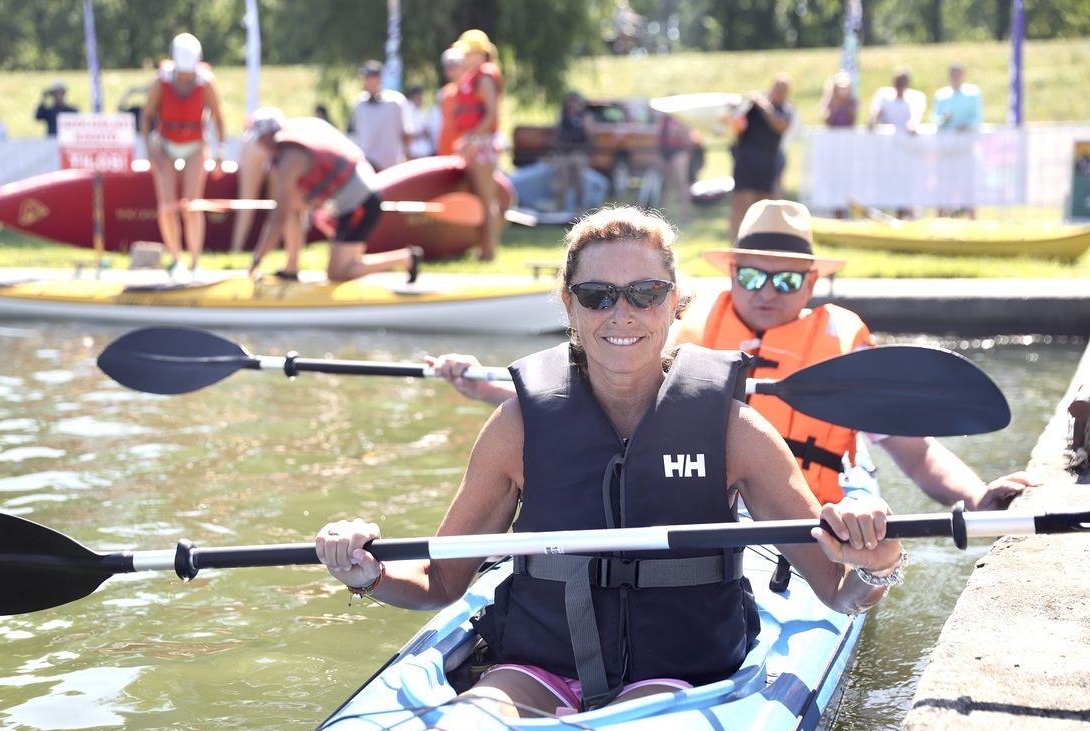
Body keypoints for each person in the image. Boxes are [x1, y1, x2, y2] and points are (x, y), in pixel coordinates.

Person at [316, 206, 901, 718]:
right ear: (569, 304)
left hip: (677, 681)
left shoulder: (736, 432)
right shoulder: (516, 427)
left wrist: (876, 564)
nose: (622, 314)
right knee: (467, 727)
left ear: (674, 303)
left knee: (626, 719)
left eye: (645, 293)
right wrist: (366, 572)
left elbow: (838, 592)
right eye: (598, 295)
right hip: (533, 670)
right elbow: (439, 581)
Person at [434, 201, 1038, 514]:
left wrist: (977, 499)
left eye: (784, 281)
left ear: (810, 284)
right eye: (752, 275)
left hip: (815, 513)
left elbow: (919, 452)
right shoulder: (677, 328)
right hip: (709, 510)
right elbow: (593, 393)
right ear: (732, 274)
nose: (765, 291)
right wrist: (484, 386)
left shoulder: (842, 346)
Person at [246, 115, 423, 284]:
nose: (259, 145)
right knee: (292, 207)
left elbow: (277, 218)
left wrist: (256, 260)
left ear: (268, 136)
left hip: (361, 205)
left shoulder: (289, 157)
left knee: (337, 273)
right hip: (357, 199)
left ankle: (405, 259)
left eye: (259, 140)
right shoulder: (301, 130)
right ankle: (291, 269)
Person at [139, 32, 226, 276]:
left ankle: (195, 263)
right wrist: (150, 150)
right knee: (167, 206)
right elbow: (146, 117)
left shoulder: (206, 82)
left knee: (192, 205)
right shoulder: (161, 81)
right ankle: (176, 259)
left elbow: (219, 119)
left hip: (195, 146)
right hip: (165, 146)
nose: (186, 75)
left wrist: (220, 153)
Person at [451, 30, 505, 261]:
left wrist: (471, 137)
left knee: (486, 200)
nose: (465, 57)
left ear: (479, 54)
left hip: (482, 143)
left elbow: (491, 114)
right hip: (475, 142)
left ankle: (489, 252)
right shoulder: (472, 76)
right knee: (478, 198)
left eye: (468, 53)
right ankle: (482, 248)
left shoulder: (484, 78)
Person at [728, 73, 794, 244]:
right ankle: (734, 245)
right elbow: (735, 122)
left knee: (763, 205)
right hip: (746, 160)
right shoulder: (753, 107)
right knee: (740, 202)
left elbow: (779, 125)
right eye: (777, 86)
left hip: (767, 162)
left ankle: (760, 243)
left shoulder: (785, 110)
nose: (779, 91)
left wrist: (762, 104)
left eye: (783, 88)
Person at [229, 107, 286, 254]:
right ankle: (238, 249)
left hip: (270, 146)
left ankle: (275, 249)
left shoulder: (281, 141)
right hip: (258, 147)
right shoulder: (257, 142)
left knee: (278, 203)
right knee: (249, 203)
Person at [932, 62, 983, 219]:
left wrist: (967, 126)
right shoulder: (941, 95)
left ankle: (972, 219)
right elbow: (935, 118)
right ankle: (941, 218)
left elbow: (977, 117)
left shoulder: (973, 93)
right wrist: (943, 119)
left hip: (965, 148)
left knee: (967, 184)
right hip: (946, 149)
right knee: (944, 185)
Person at [349, 60, 413, 172]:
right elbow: (356, 133)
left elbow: (406, 133)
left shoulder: (395, 102)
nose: (368, 81)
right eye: (366, 77)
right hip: (366, 162)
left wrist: (405, 155)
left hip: (390, 162)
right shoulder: (359, 103)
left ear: (379, 78)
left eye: (371, 77)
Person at [550, 91, 591, 216]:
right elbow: (557, 133)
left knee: (579, 182)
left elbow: (590, 134)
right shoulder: (564, 116)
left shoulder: (584, 116)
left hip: (578, 153)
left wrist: (583, 124)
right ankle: (560, 210)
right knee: (560, 182)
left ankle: (581, 211)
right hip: (564, 153)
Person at [657, 110, 696, 224]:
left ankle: (685, 215)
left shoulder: (681, 119)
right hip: (665, 152)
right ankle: (663, 215)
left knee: (681, 182)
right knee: (666, 185)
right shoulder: (663, 120)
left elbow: (688, 139)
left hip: (679, 152)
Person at [431, 47, 467, 157]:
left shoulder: (471, 90)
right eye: (448, 67)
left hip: (465, 150)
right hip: (445, 150)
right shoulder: (444, 92)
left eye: (454, 66)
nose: (450, 70)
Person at [867, 66, 926, 133]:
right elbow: (875, 111)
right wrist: (872, 118)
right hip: (886, 138)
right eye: (898, 82)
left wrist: (912, 124)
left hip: (908, 138)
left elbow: (916, 115)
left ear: (908, 83)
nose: (900, 85)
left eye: (903, 82)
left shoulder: (916, 97)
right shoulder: (883, 94)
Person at [405, 86, 435, 159]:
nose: (422, 99)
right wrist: (420, 134)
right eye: (421, 96)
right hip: (413, 153)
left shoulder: (418, 110)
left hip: (422, 152)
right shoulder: (407, 110)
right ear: (415, 96)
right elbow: (406, 133)